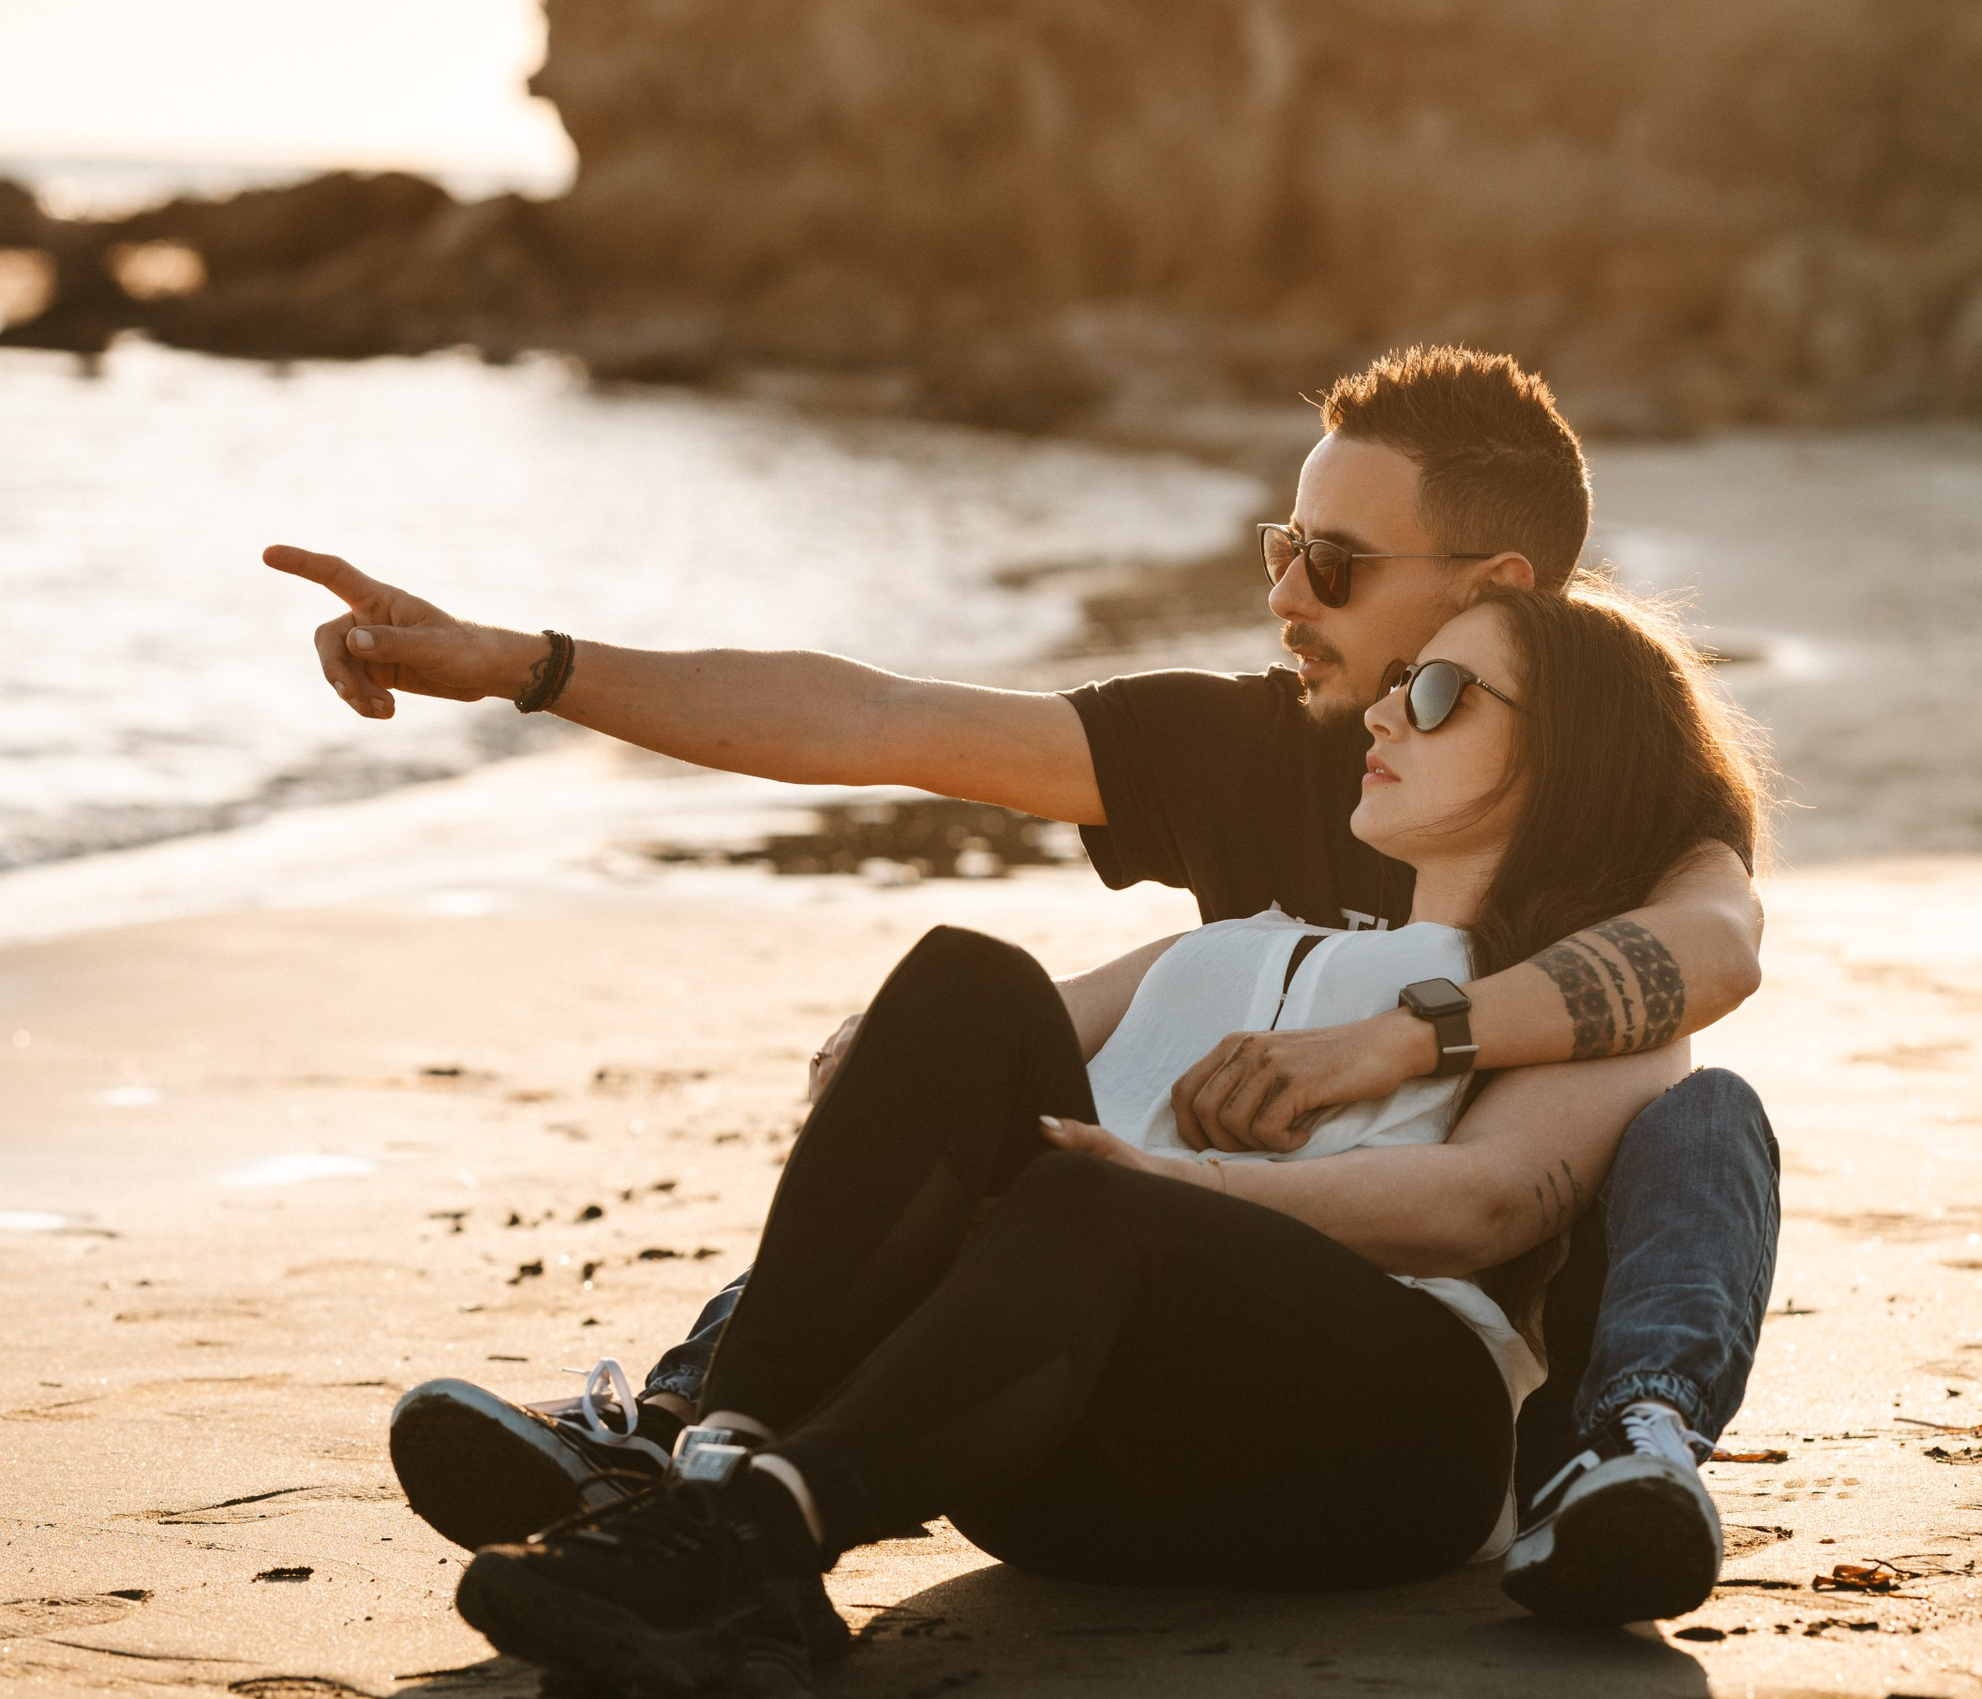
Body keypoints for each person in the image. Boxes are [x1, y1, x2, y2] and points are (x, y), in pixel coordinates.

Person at [267, 344, 1782, 1623]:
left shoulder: (1613, 848)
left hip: (1369, 1391)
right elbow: (871, 715)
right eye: (1280, 547)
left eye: (1335, 562)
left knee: (1704, 1118)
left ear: (1494, 585)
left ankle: (1627, 1447)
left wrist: (1392, 1042)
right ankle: (697, 1441)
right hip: (1130, 1349)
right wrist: (528, 664)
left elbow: (1703, 963)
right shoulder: (1254, 760)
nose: (1288, 596)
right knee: (960, 1003)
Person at [450, 582, 1766, 1699]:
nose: (1379, 712)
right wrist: (900, 1072)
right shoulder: (1236, 941)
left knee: (1086, 1191)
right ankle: (721, 1477)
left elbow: (1480, 1205)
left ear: (1571, 755)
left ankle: (762, 1541)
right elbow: (943, 1062)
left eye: (1437, 692)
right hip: (1053, 1446)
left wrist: (1178, 1187)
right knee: (966, 977)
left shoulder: (1585, 989)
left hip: (1378, 1452)